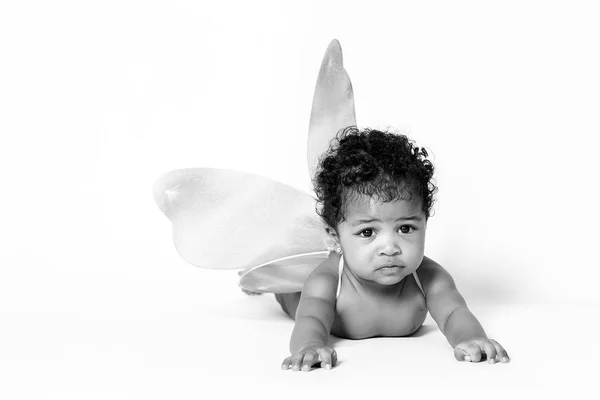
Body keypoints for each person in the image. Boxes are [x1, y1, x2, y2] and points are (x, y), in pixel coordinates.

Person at [276, 126, 510, 371]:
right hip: (303, 295)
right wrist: (310, 345)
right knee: (294, 296)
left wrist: (470, 337)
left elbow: (454, 312)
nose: (390, 248)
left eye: (406, 228)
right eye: (368, 232)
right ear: (335, 237)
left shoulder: (429, 278)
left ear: (425, 223)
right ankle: (273, 288)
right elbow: (310, 318)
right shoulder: (327, 281)